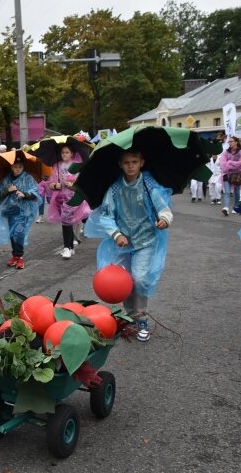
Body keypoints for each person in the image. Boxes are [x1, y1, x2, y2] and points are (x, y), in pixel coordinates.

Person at [84, 150, 173, 342]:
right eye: (126, 162)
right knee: (123, 282)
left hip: (145, 240)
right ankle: (131, 316)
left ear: (142, 162)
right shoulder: (115, 189)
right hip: (122, 242)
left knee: (140, 279)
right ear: (120, 164)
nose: (130, 166)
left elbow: (164, 208)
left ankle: (141, 318)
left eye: (134, 161)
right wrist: (116, 234)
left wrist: (165, 219)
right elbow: (106, 216)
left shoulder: (150, 186)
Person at [39, 144, 91, 259]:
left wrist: (70, 185)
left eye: (67, 152)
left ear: (72, 153)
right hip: (60, 199)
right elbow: (51, 185)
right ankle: (70, 247)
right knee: (66, 221)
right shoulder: (57, 166)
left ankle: (67, 247)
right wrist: (56, 185)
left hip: (74, 198)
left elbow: (82, 183)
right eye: (63, 152)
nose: (64, 155)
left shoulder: (76, 165)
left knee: (66, 221)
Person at [0, 157, 42, 269]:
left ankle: (19, 257)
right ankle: (15, 255)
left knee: (19, 233)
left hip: (24, 211)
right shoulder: (6, 180)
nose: (17, 169)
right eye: (15, 167)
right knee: (12, 233)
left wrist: (24, 194)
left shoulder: (28, 178)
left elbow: (35, 192)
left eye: (20, 167)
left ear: (23, 167)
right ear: (11, 167)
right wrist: (8, 190)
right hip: (11, 210)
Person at [219, 136, 241, 216]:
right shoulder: (226, 152)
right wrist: (232, 164)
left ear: (236, 142)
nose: (230, 143)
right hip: (227, 174)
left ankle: (236, 206)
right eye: (229, 142)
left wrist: (229, 163)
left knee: (237, 192)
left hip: (237, 174)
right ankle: (226, 208)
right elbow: (222, 164)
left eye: (231, 141)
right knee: (227, 192)